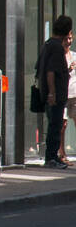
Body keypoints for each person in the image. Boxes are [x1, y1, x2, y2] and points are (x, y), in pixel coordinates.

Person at [37, 15, 73, 171]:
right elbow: (51, 71)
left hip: (51, 94)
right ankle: (51, 157)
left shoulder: (48, 44)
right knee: (55, 126)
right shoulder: (57, 47)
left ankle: (53, 156)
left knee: (55, 125)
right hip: (55, 95)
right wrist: (52, 93)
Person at [62, 35, 76, 167]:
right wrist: (69, 69)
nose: (68, 41)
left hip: (75, 94)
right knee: (63, 124)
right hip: (64, 95)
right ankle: (62, 154)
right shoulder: (60, 57)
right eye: (66, 39)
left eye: (70, 38)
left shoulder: (74, 56)